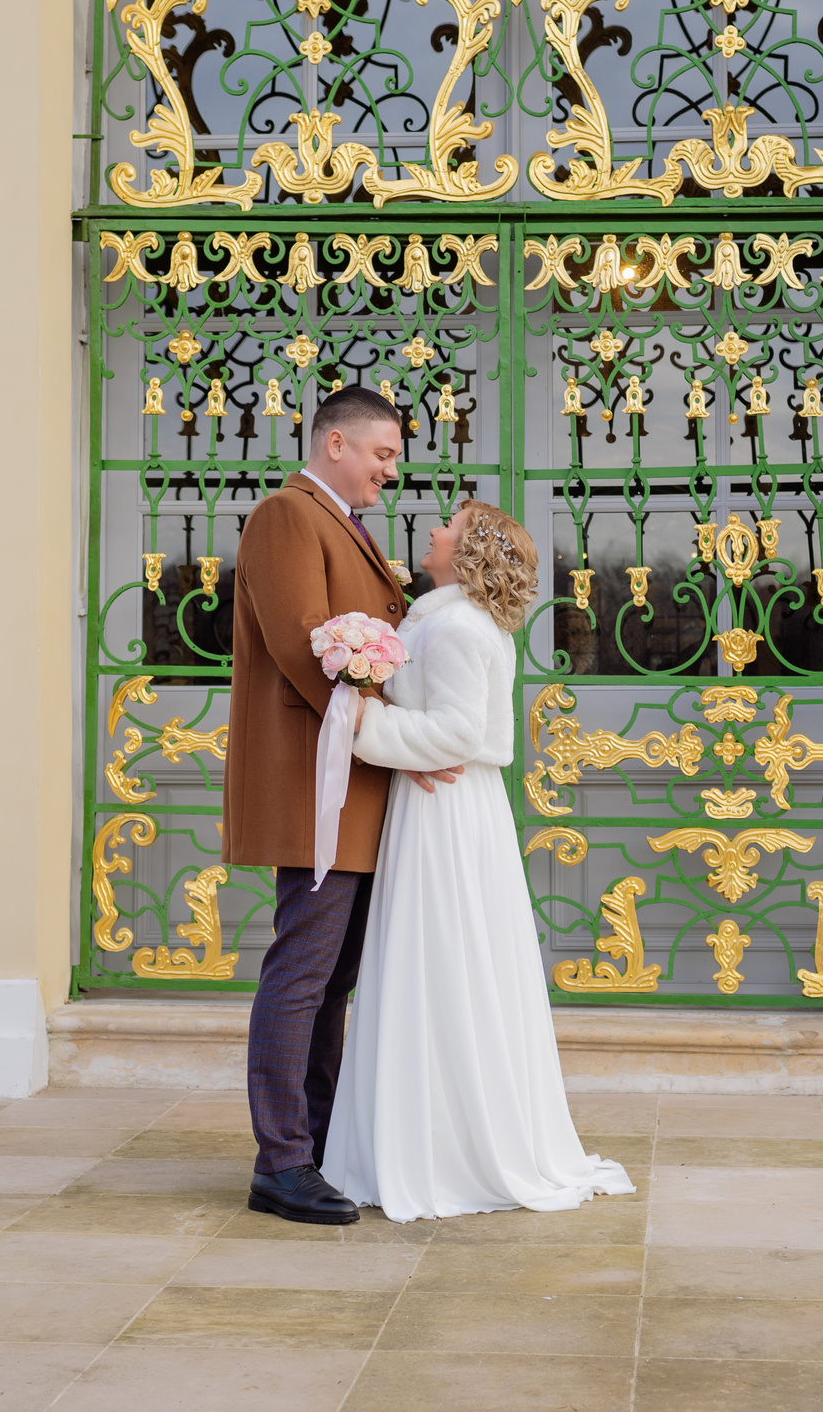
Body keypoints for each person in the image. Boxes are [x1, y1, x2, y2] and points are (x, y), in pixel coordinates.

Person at [322, 498, 635, 1222]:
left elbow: (459, 732)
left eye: (448, 525)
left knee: (441, 960)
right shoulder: (442, 620)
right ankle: (420, 1135)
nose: (432, 530)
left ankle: (446, 1149)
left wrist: (365, 721)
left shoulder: (458, 627)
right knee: (432, 963)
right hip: (437, 807)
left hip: (448, 815)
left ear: (466, 552)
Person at [224, 386, 461, 1227]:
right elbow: (304, 648)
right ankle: (280, 1162)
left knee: (332, 980)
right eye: (382, 454)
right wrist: (402, 737)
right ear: (334, 444)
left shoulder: (346, 525)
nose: (390, 471)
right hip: (314, 783)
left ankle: (314, 1146)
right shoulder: (287, 516)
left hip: (358, 785)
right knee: (303, 972)